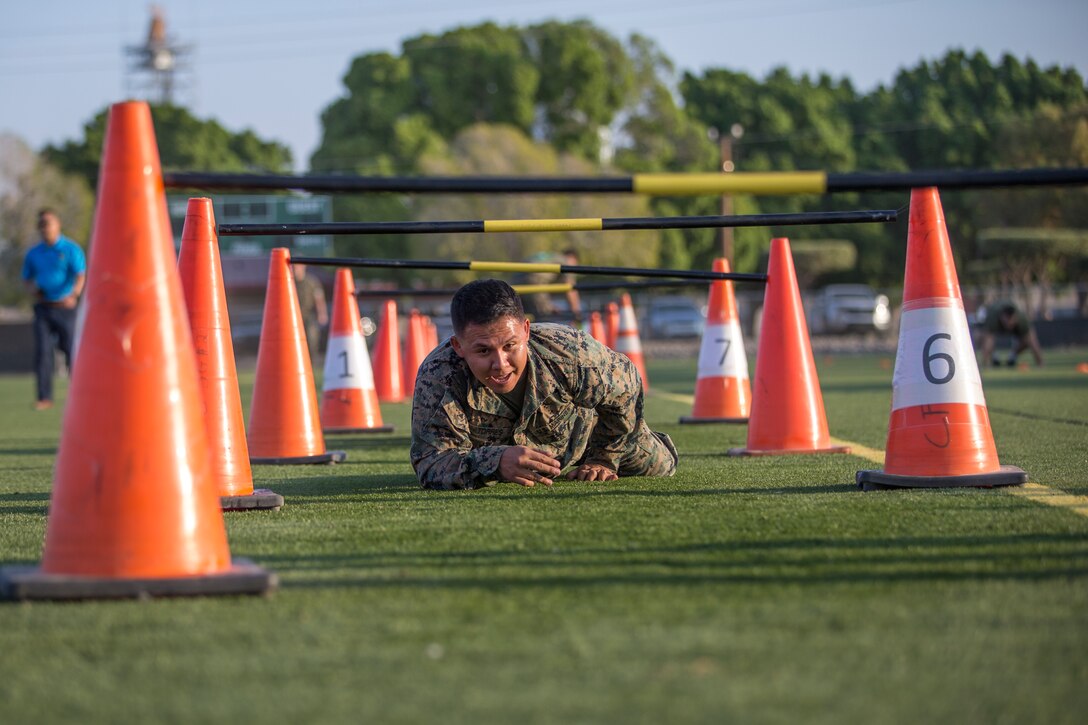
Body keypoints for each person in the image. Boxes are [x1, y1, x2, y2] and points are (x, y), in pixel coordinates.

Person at [410, 279, 677, 489]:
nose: (500, 363)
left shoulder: (569, 352)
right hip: (511, 460)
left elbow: (626, 383)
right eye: (483, 351)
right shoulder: (438, 376)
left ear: (526, 330)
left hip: (591, 438)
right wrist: (495, 463)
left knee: (662, 466)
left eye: (510, 346)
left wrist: (603, 459)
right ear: (458, 346)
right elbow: (431, 463)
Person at [21, 208, 86, 410]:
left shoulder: (70, 249)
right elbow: (27, 279)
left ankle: (79, 395)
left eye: (48, 223)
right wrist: (34, 291)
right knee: (43, 352)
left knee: (70, 350)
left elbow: (80, 275)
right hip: (43, 308)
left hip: (66, 309)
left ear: (57, 225)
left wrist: (73, 295)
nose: (45, 228)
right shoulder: (33, 253)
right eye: (42, 224)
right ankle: (44, 397)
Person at [519, 248, 583, 323]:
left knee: (523, 317)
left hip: (518, 282)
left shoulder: (552, 257)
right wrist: (576, 314)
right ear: (573, 258)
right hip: (534, 282)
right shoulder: (565, 262)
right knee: (545, 318)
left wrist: (549, 306)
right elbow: (571, 289)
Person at [978, 299, 1044, 367]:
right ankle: (994, 355)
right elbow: (988, 340)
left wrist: (1040, 363)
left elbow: (1033, 341)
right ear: (1002, 317)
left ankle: (1012, 355)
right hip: (993, 316)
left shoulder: (1022, 319)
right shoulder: (993, 317)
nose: (1009, 323)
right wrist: (984, 362)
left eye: (1011, 319)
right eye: (1007, 319)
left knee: (1027, 340)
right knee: (980, 337)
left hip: (1016, 327)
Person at [293, 262, 328, 355]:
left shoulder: (311, 282)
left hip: (309, 316)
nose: (295, 269)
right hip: (294, 317)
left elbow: (319, 299)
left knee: (311, 339)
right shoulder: (290, 283)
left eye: (297, 267)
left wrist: (322, 314)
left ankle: (311, 362)